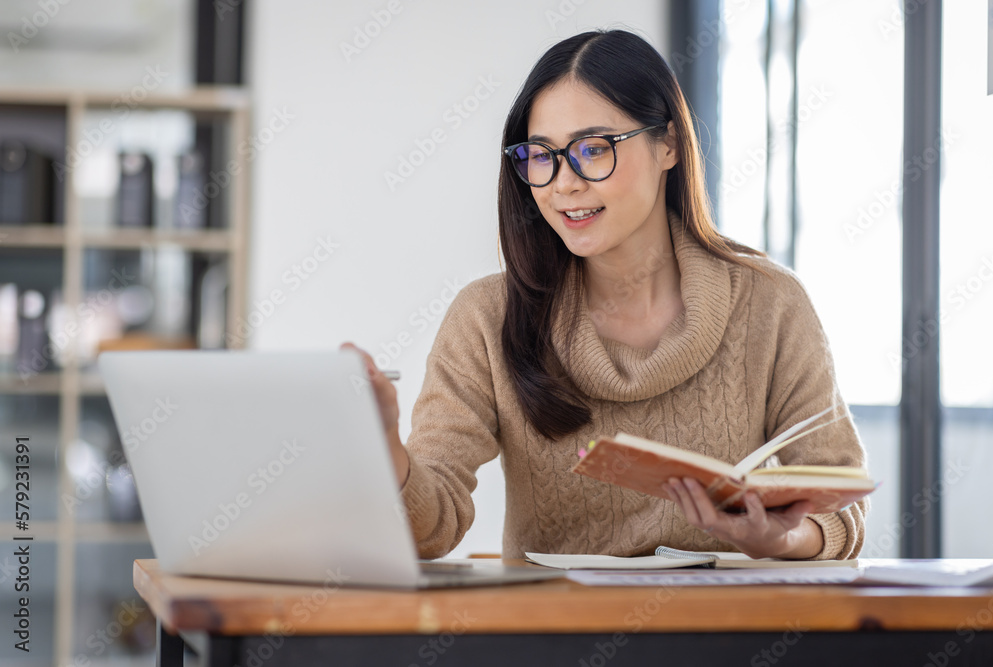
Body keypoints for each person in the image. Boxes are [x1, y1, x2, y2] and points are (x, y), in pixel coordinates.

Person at [343, 29, 868, 561]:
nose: (563, 184)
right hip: (556, 636)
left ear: (668, 145)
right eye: (541, 156)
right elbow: (432, 531)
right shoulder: (488, 317)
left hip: (727, 631)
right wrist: (386, 449)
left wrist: (782, 537)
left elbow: (840, 502)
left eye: (593, 149)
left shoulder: (769, 302)